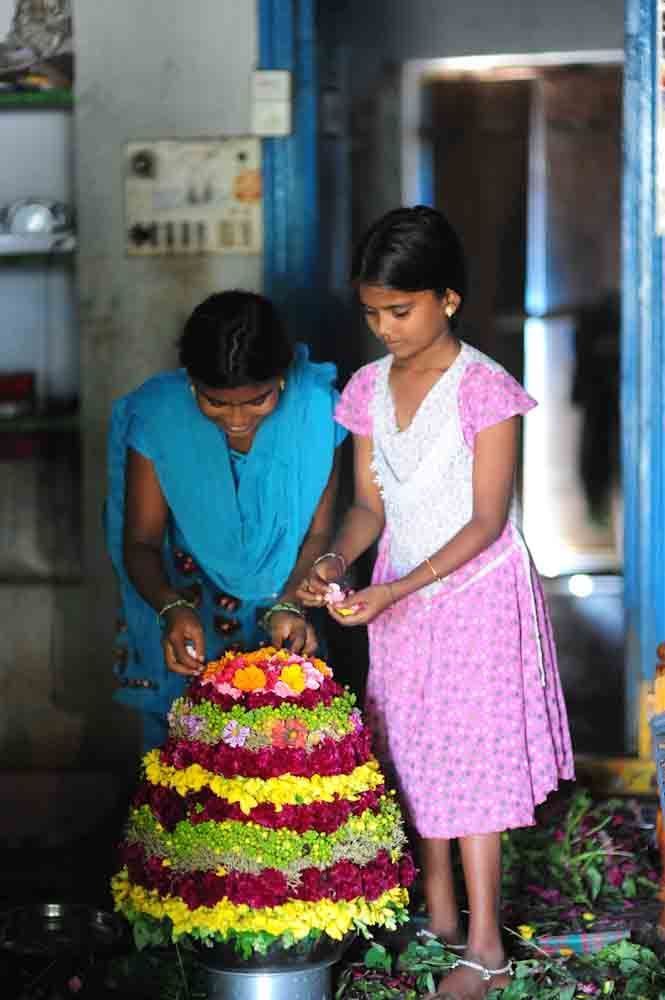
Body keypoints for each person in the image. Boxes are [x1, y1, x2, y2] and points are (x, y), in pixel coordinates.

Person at [297, 207, 574, 1000]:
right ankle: (442, 916)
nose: (383, 328)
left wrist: (394, 588)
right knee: (414, 748)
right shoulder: (364, 391)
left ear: (446, 299)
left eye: (399, 310)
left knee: (472, 761)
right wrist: (333, 562)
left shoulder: (484, 389)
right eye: (371, 313)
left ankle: (483, 949)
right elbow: (365, 509)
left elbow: (486, 520)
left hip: (476, 593)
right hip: (399, 594)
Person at [106, 290, 345, 753]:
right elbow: (139, 541)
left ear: (281, 378)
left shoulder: (315, 411)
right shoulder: (160, 416)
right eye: (215, 403)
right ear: (192, 384)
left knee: (287, 784)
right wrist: (171, 608)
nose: (237, 419)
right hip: (191, 619)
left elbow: (320, 534)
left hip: (285, 613)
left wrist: (290, 604)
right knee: (184, 781)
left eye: (258, 400)